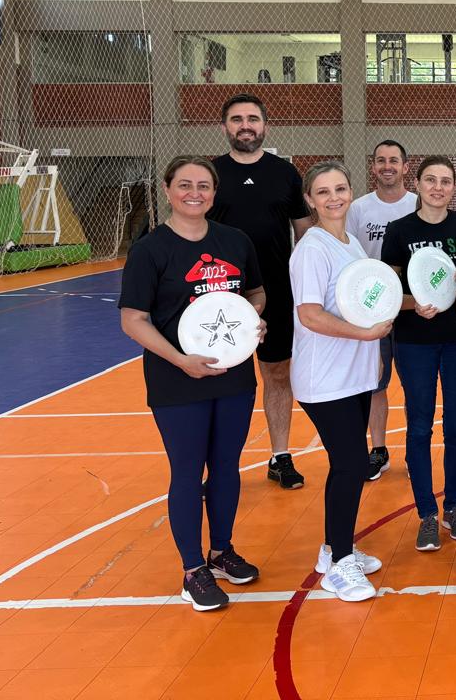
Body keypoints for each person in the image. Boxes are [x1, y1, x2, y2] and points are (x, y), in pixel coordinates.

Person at [119, 156, 266, 612]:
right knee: (187, 471)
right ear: (167, 190)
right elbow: (133, 319)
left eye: (203, 185)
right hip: (177, 379)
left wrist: (252, 322)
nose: (194, 193)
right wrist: (181, 360)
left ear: (214, 192)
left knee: (226, 466)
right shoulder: (150, 250)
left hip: (234, 374)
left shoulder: (235, 241)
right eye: (185, 184)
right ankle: (192, 570)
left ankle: (221, 552)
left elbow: (256, 293)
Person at [289, 161, 392, 603]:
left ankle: (334, 549)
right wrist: (365, 336)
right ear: (309, 200)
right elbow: (310, 315)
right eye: (323, 192)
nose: (334, 198)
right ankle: (340, 568)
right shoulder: (312, 249)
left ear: (351, 192)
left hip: (354, 376)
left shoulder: (350, 241)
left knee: (346, 464)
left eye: (341, 189)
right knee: (350, 464)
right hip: (326, 378)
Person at [208, 93, 312, 490]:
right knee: (220, 378)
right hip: (220, 293)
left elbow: (304, 236)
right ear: (225, 127)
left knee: (277, 373)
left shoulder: (285, 174)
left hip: (276, 291)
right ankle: (218, 468)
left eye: (252, 118)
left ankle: (280, 456)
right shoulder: (211, 173)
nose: (245, 126)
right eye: (237, 119)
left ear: (265, 125)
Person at [382, 156, 456, 552]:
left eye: (445, 181)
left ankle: (453, 507)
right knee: (420, 425)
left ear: (454, 187)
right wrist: (414, 305)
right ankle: (426, 513)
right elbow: (390, 291)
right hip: (414, 341)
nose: (438, 188)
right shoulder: (399, 230)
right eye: (430, 180)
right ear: (418, 184)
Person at [346, 139, 418, 481]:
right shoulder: (359, 209)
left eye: (393, 160)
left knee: (415, 383)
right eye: (380, 160)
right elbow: (349, 254)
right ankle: (378, 450)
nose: (387, 166)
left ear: (406, 167)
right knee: (375, 382)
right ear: (373, 166)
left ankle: (415, 449)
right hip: (371, 310)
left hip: (411, 308)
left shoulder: (417, 204)